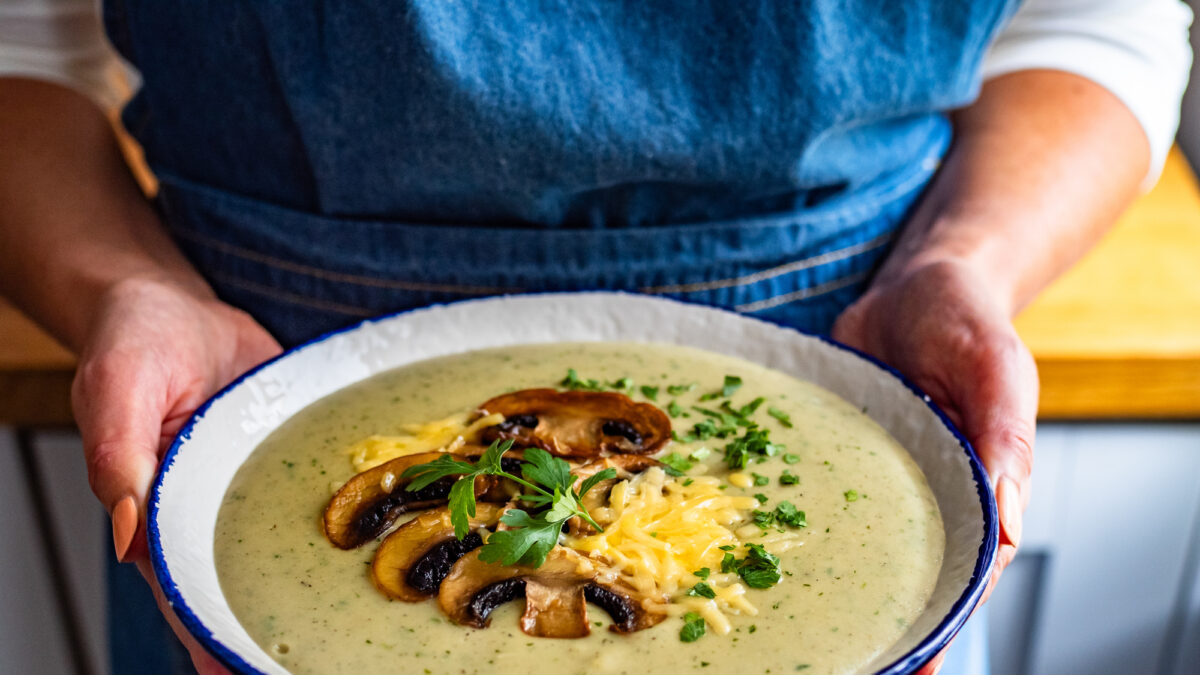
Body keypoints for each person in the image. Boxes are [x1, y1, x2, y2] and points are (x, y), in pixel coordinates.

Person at [0, 1, 1191, 673]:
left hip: (869, 362)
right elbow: (22, 48)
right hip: (242, 386)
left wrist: (963, 265)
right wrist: (124, 290)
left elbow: (1091, 25)